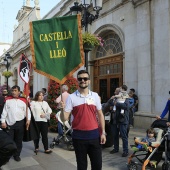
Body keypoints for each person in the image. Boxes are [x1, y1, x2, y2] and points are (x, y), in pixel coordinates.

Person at [60, 70, 106, 170]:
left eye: (85, 78)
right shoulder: (71, 97)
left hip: (94, 136)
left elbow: (100, 115)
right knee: (81, 167)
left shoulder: (95, 96)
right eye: (80, 79)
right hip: (79, 138)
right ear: (78, 81)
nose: (83, 80)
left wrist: (103, 133)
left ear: (89, 81)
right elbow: (64, 119)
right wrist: (62, 109)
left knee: (97, 166)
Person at [1, 85, 31, 162]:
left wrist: (28, 119)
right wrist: (3, 121)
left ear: (19, 92)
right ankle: (7, 155)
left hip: (20, 123)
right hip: (10, 123)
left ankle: (16, 155)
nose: (13, 92)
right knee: (9, 141)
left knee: (18, 140)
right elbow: (4, 112)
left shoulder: (23, 101)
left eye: (15, 90)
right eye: (12, 90)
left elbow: (27, 111)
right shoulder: (7, 100)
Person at [110, 85, 130, 157]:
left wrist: (116, 104)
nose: (115, 92)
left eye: (116, 91)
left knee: (124, 136)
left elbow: (126, 106)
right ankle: (116, 148)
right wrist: (111, 105)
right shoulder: (115, 98)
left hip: (122, 120)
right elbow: (110, 105)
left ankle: (125, 151)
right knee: (115, 135)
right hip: (115, 120)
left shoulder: (126, 98)